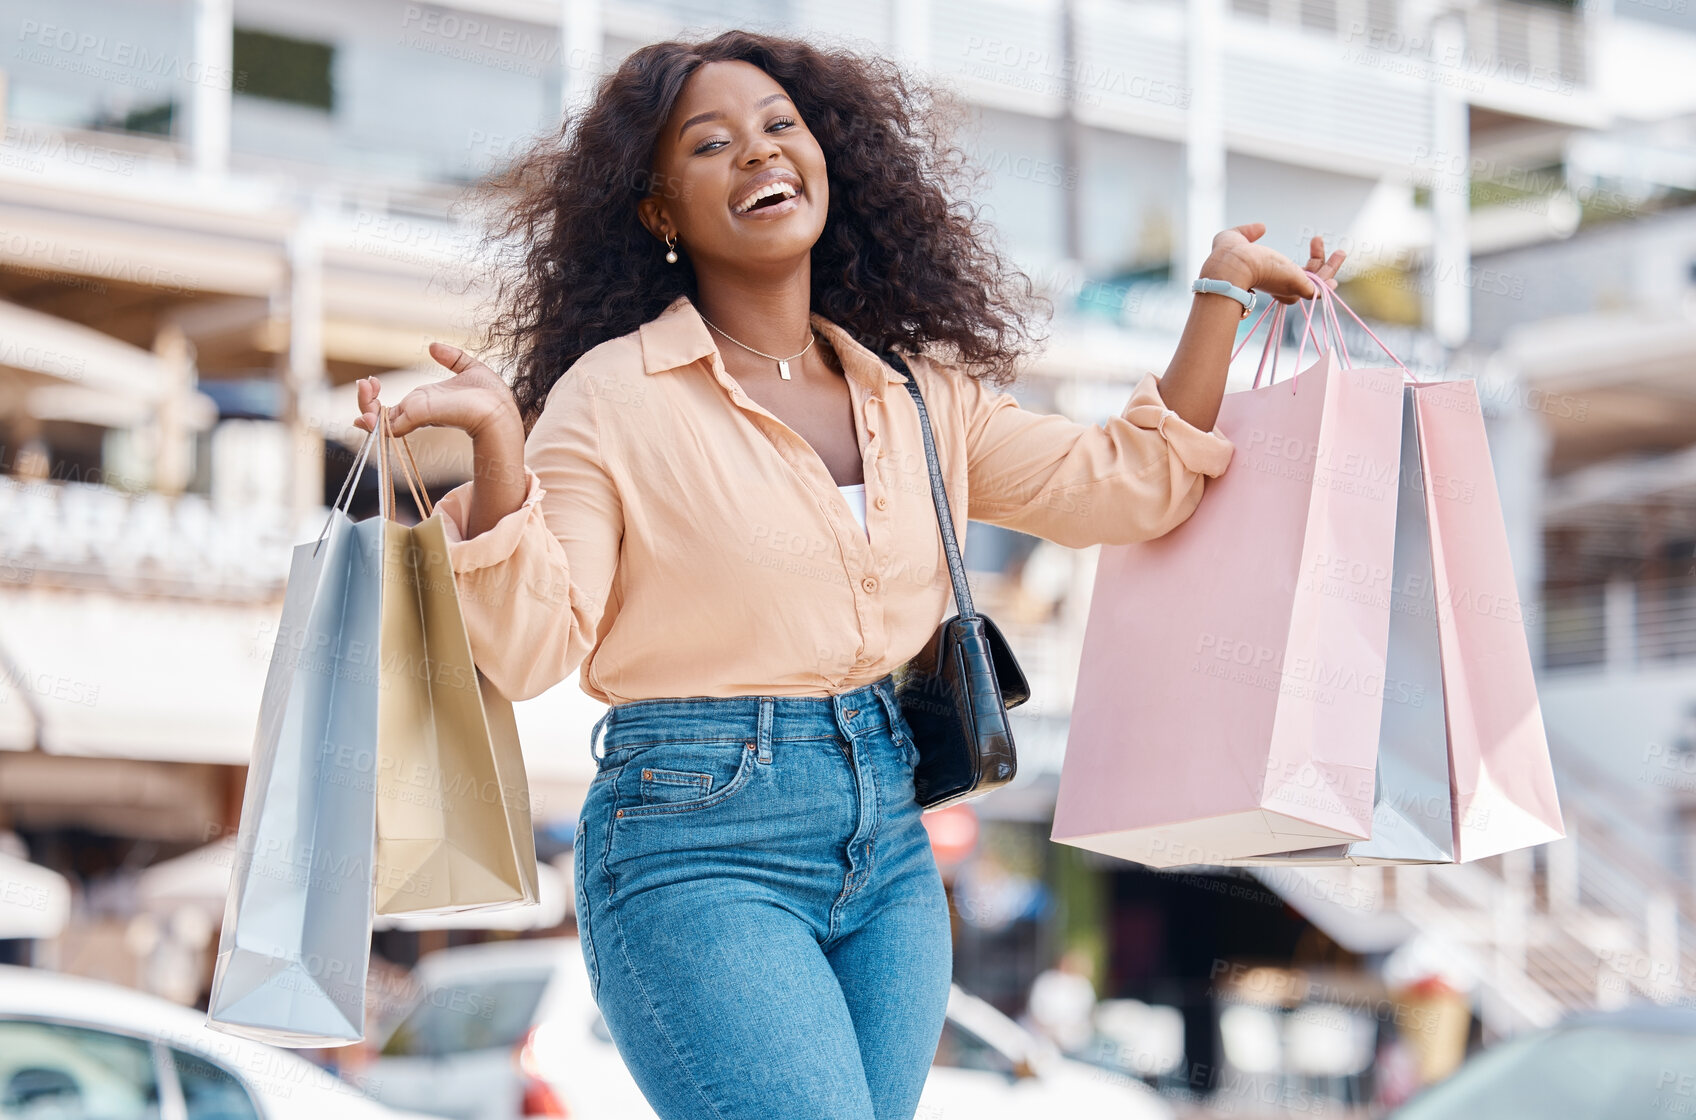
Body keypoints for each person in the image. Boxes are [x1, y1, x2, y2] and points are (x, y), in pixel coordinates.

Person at [354, 29, 1343, 1120]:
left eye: (781, 127)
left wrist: (1219, 291)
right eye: (711, 144)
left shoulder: (916, 395)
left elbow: (1127, 485)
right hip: (696, 843)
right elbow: (528, 646)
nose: (759, 154)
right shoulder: (612, 398)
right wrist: (499, 450)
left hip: (890, 847)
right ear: (657, 211)